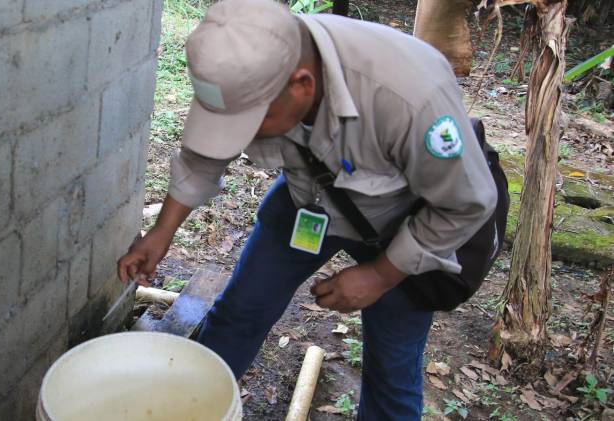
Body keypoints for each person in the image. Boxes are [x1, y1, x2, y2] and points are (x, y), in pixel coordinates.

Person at [118, 0, 498, 419]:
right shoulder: (245, 63)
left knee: (390, 369)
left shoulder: (411, 99)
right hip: (308, 198)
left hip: (406, 226)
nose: (237, 136)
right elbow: (204, 155)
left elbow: (465, 205)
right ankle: (194, 408)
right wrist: (163, 231)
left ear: (301, 85)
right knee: (239, 312)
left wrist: (380, 274)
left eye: (248, 124)